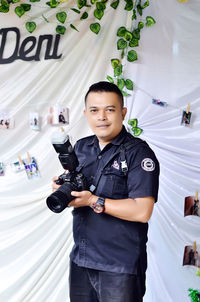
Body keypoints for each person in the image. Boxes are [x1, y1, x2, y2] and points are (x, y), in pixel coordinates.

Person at [52, 81, 160, 302]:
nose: (101, 117)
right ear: (86, 114)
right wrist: (62, 188)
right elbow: (76, 188)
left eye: (109, 110)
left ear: (122, 113)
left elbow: (142, 211)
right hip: (81, 260)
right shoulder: (81, 148)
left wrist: (92, 200)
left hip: (119, 267)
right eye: (94, 110)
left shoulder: (138, 154)